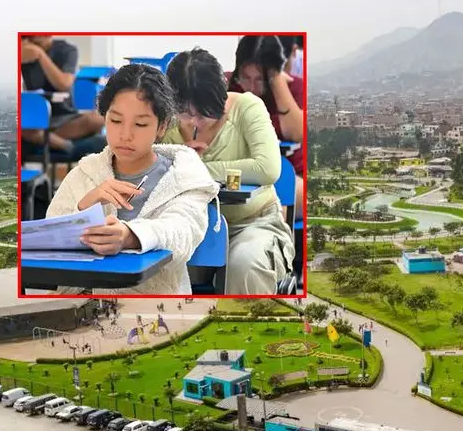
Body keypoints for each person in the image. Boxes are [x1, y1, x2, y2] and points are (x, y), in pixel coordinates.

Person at [45, 64, 218, 295]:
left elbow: (182, 233)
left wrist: (130, 237)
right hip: (81, 306)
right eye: (115, 121)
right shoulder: (85, 172)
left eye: (140, 124)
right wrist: (85, 207)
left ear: (162, 125)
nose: (125, 135)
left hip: (154, 310)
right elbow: (47, 239)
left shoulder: (183, 176)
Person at [162, 48, 294, 295]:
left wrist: (196, 168)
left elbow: (267, 168)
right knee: (161, 270)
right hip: (187, 225)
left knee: (244, 266)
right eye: (185, 113)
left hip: (253, 223)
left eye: (203, 113)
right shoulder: (166, 122)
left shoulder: (247, 107)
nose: (194, 122)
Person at [227, 35, 305, 221]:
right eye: (245, 78)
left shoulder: (293, 87)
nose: (251, 87)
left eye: (259, 79)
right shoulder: (231, 87)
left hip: (287, 171)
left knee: (298, 195)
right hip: (243, 170)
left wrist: (276, 81)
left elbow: (295, 133)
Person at [20, 35, 106, 156]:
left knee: (98, 118)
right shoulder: (21, 50)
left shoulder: (67, 50)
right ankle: (66, 146)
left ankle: (47, 140)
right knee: (20, 124)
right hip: (33, 119)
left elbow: (64, 84)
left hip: (64, 118)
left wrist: (41, 55)